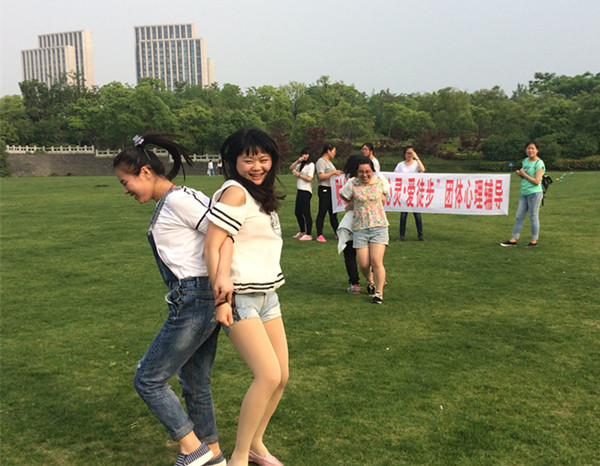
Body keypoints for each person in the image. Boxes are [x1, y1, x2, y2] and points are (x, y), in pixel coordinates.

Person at [113, 133, 228, 466]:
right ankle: (213, 455)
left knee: (148, 378)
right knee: (193, 381)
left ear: (145, 172)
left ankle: (192, 449)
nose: (125, 190)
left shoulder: (178, 201)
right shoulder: (177, 199)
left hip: (196, 298)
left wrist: (222, 282)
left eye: (125, 182)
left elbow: (223, 233)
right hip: (200, 297)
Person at [204, 128, 288, 466]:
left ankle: (255, 445)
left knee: (281, 377)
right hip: (240, 298)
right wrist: (221, 300)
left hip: (268, 295)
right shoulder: (235, 192)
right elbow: (212, 246)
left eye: (263, 159)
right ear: (233, 162)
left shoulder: (259, 195)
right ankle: (239, 458)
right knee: (267, 375)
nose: (257, 166)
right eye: (248, 159)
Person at [340, 156, 390, 304]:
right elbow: (343, 194)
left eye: (367, 171)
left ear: (372, 171)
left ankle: (379, 293)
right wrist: (351, 203)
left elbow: (384, 196)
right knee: (363, 264)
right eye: (361, 172)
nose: (364, 174)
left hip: (379, 226)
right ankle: (370, 281)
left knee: (376, 261)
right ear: (357, 172)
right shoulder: (352, 184)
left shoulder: (380, 182)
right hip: (360, 227)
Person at [500, 141, 546, 247]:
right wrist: (520, 174)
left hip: (534, 193)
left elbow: (536, 181)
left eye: (533, 148)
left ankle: (534, 241)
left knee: (533, 217)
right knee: (519, 216)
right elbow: (526, 178)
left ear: (537, 150)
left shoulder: (539, 163)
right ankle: (513, 239)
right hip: (524, 192)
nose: (530, 150)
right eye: (528, 148)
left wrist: (524, 174)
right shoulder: (525, 161)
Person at [337, 155, 363, 294]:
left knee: (350, 252)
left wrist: (350, 203)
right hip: (372, 222)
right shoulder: (375, 181)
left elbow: (342, 194)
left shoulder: (352, 182)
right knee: (370, 252)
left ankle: (355, 283)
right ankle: (376, 279)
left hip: (355, 221)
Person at [393, 145, 427, 242]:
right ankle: (401, 235)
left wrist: (417, 158)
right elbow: (394, 176)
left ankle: (420, 235)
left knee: (417, 215)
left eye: (411, 153)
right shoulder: (400, 165)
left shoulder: (416, 164)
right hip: (404, 193)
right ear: (404, 154)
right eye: (408, 153)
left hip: (414, 193)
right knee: (403, 215)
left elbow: (423, 170)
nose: (409, 155)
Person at [315, 143, 343, 242]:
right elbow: (321, 176)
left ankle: (337, 232)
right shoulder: (321, 161)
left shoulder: (330, 162)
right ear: (328, 151)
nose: (334, 154)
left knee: (333, 213)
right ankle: (319, 234)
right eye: (333, 151)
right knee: (322, 212)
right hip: (324, 189)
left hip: (332, 190)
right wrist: (333, 173)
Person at [290, 147, 315, 241]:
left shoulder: (311, 165)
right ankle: (302, 231)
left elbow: (309, 178)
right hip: (300, 190)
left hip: (306, 191)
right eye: (304, 154)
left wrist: (299, 175)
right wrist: (298, 161)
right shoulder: (301, 165)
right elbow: (291, 168)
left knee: (306, 212)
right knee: (297, 212)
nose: (305, 156)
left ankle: (309, 234)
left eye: (307, 154)